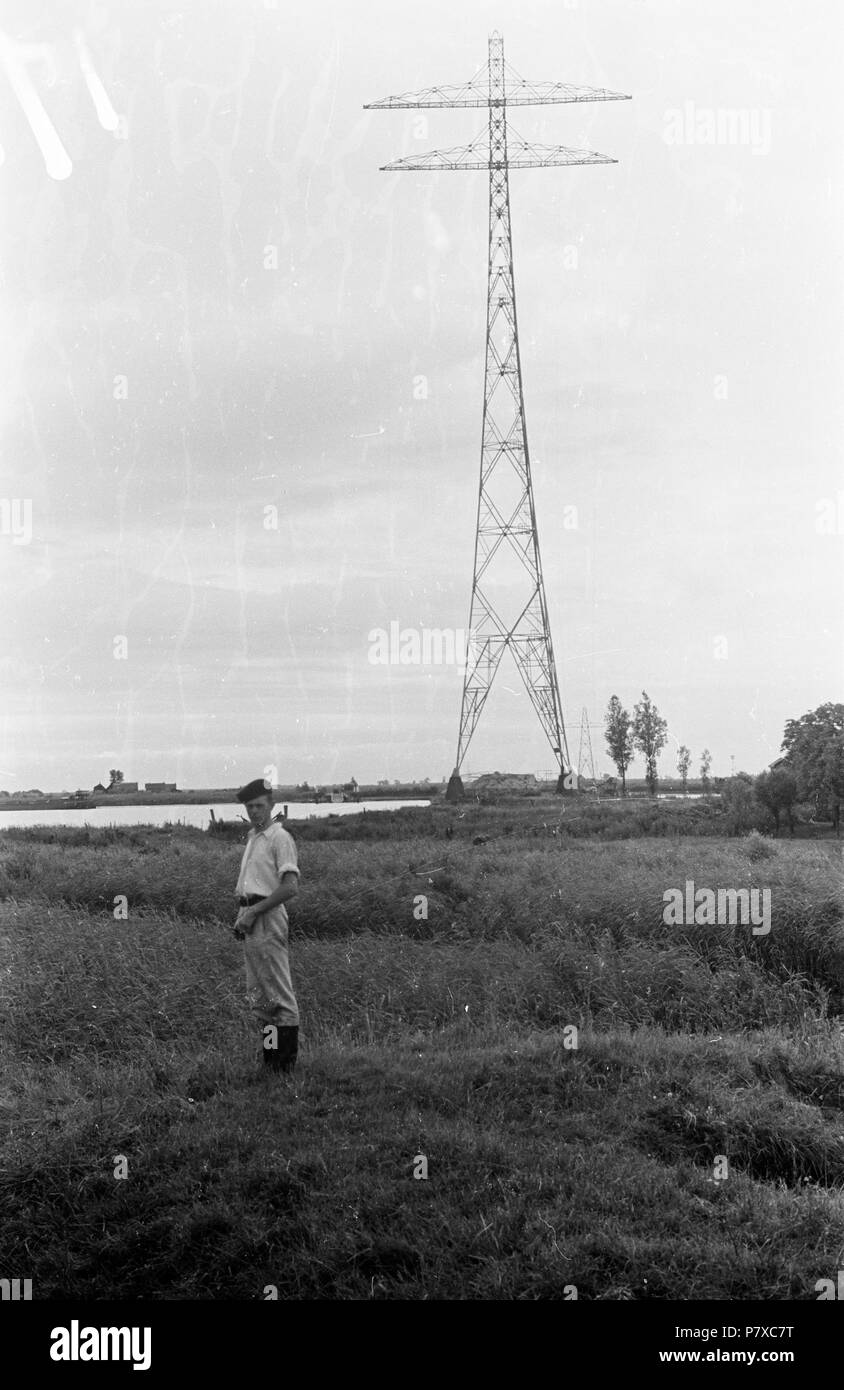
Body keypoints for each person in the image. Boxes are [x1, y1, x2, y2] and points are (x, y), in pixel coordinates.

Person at [233, 777, 300, 1075]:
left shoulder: (279, 837)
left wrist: (255, 911)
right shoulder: (253, 837)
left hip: (268, 916)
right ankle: (270, 1064)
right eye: (250, 807)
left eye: (259, 806)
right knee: (260, 996)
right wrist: (243, 914)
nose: (255, 812)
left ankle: (285, 1069)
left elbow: (290, 888)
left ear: (271, 805)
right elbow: (249, 885)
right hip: (249, 915)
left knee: (279, 995)